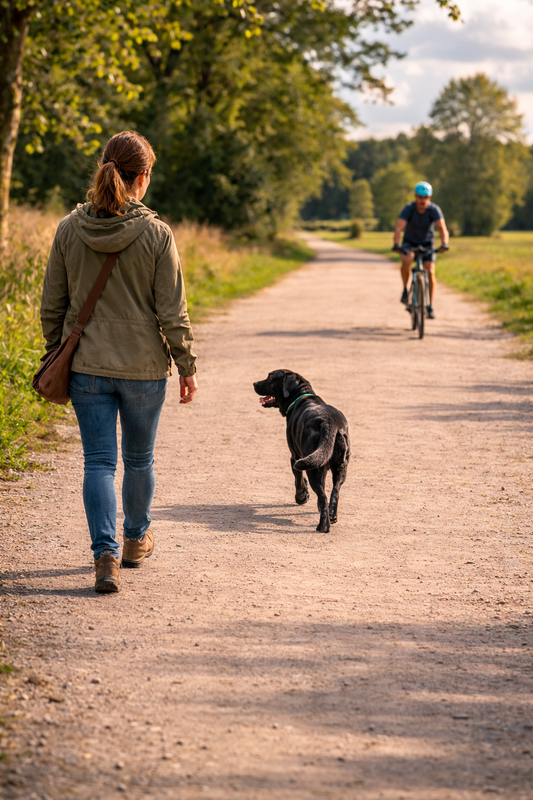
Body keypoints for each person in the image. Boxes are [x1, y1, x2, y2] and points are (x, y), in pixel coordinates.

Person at [40, 131, 198, 594]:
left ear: (104, 168)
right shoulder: (157, 234)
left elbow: (52, 305)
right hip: (144, 370)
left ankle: (104, 556)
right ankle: (134, 540)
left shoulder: (69, 229)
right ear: (143, 177)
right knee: (139, 459)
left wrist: (57, 350)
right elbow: (172, 312)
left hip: (86, 366)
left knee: (98, 463)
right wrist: (187, 365)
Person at [392, 181, 449, 319]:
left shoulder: (434, 210)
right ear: (415, 196)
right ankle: (405, 289)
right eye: (419, 197)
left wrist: (444, 243)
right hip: (410, 242)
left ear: (429, 198)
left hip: (427, 243)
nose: (422, 200)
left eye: (425, 197)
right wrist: (396, 244)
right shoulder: (408, 209)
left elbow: (442, 228)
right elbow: (399, 228)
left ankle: (429, 306)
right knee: (406, 259)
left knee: (430, 271)